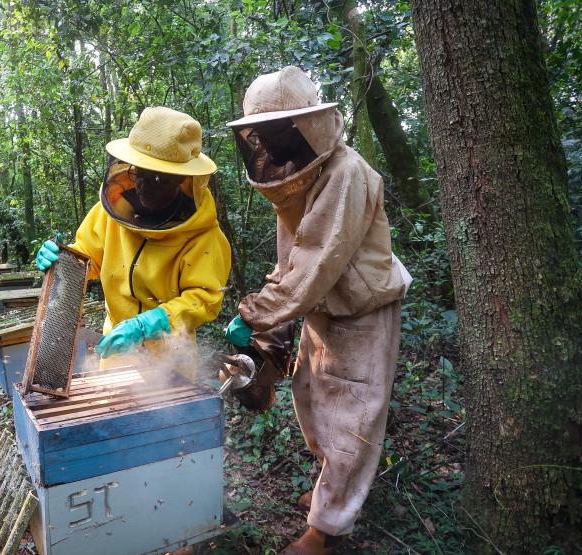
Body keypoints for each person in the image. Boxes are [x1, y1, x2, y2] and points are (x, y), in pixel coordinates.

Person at [224, 66, 412, 554]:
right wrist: (268, 329)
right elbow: (293, 262)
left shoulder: (347, 173)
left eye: (274, 132)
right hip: (323, 311)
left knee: (351, 418)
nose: (265, 146)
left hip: (361, 313)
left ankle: (326, 531)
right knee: (311, 401)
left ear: (304, 126)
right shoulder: (297, 178)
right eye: (258, 135)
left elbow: (316, 264)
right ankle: (330, 495)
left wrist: (256, 314)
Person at [36, 107, 232, 373]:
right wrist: (64, 260)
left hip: (171, 364)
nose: (144, 185)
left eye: (159, 178)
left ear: (182, 181)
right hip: (116, 353)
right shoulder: (111, 213)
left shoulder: (204, 238)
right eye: (139, 173)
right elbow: (88, 257)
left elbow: (205, 298)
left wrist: (152, 323)